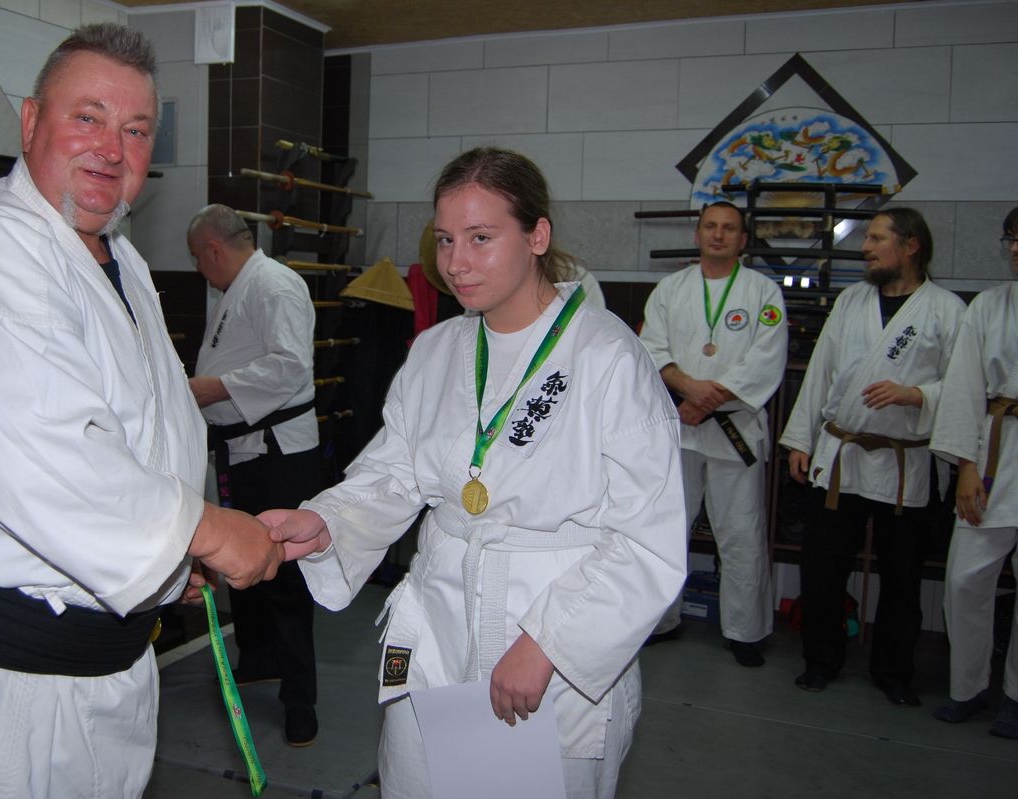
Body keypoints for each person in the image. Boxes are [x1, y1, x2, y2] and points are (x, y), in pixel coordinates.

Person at [0, 24, 281, 798]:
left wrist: (169, 559)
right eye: (88, 117)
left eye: (136, 130)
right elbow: (47, 459)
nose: (111, 149)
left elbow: (142, 428)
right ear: (31, 122)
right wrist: (205, 530)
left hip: (99, 672)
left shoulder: (117, 258)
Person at [259, 147, 688, 798]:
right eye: (445, 239)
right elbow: (394, 471)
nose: (455, 262)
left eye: (481, 238)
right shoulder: (438, 350)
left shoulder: (608, 357)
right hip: (439, 623)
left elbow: (647, 538)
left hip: (546, 635)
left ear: (537, 236)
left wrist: (549, 643)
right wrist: (326, 520)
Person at [779, 207, 965, 706]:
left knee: (903, 576)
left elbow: (965, 385)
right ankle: (820, 660)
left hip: (905, 463)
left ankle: (894, 671)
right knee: (822, 567)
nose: (866, 248)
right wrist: (801, 440)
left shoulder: (946, 310)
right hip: (842, 453)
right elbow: (821, 370)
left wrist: (917, 394)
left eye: (878, 238)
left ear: (911, 245)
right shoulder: (851, 301)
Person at [187, 204, 322, 746]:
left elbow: (290, 366)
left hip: (277, 451)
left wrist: (211, 389)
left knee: (284, 572)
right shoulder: (242, 286)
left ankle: (300, 698)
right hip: (243, 448)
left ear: (213, 249)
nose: (200, 270)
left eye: (198, 259)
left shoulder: (274, 285)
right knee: (236, 557)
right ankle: (259, 658)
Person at [639, 201, 787, 667]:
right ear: (698, 234)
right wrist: (688, 388)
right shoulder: (671, 289)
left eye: (728, 228)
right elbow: (651, 349)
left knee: (741, 532)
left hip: (734, 429)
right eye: (710, 226)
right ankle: (661, 620)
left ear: (743, 239)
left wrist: (706, 400)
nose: (718, 235)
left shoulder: (763, 292)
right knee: (666, 530)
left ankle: (746, 631)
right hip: (679, 428)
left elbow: (765, 360)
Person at [929, 208, 1018, 738]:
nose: (1016, 249)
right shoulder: (990, 306)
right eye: (1012, 239)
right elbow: (963, 390)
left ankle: (1016, 696)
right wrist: (966, 466)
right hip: (995, 451)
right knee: (965, 580)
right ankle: (967, 687)